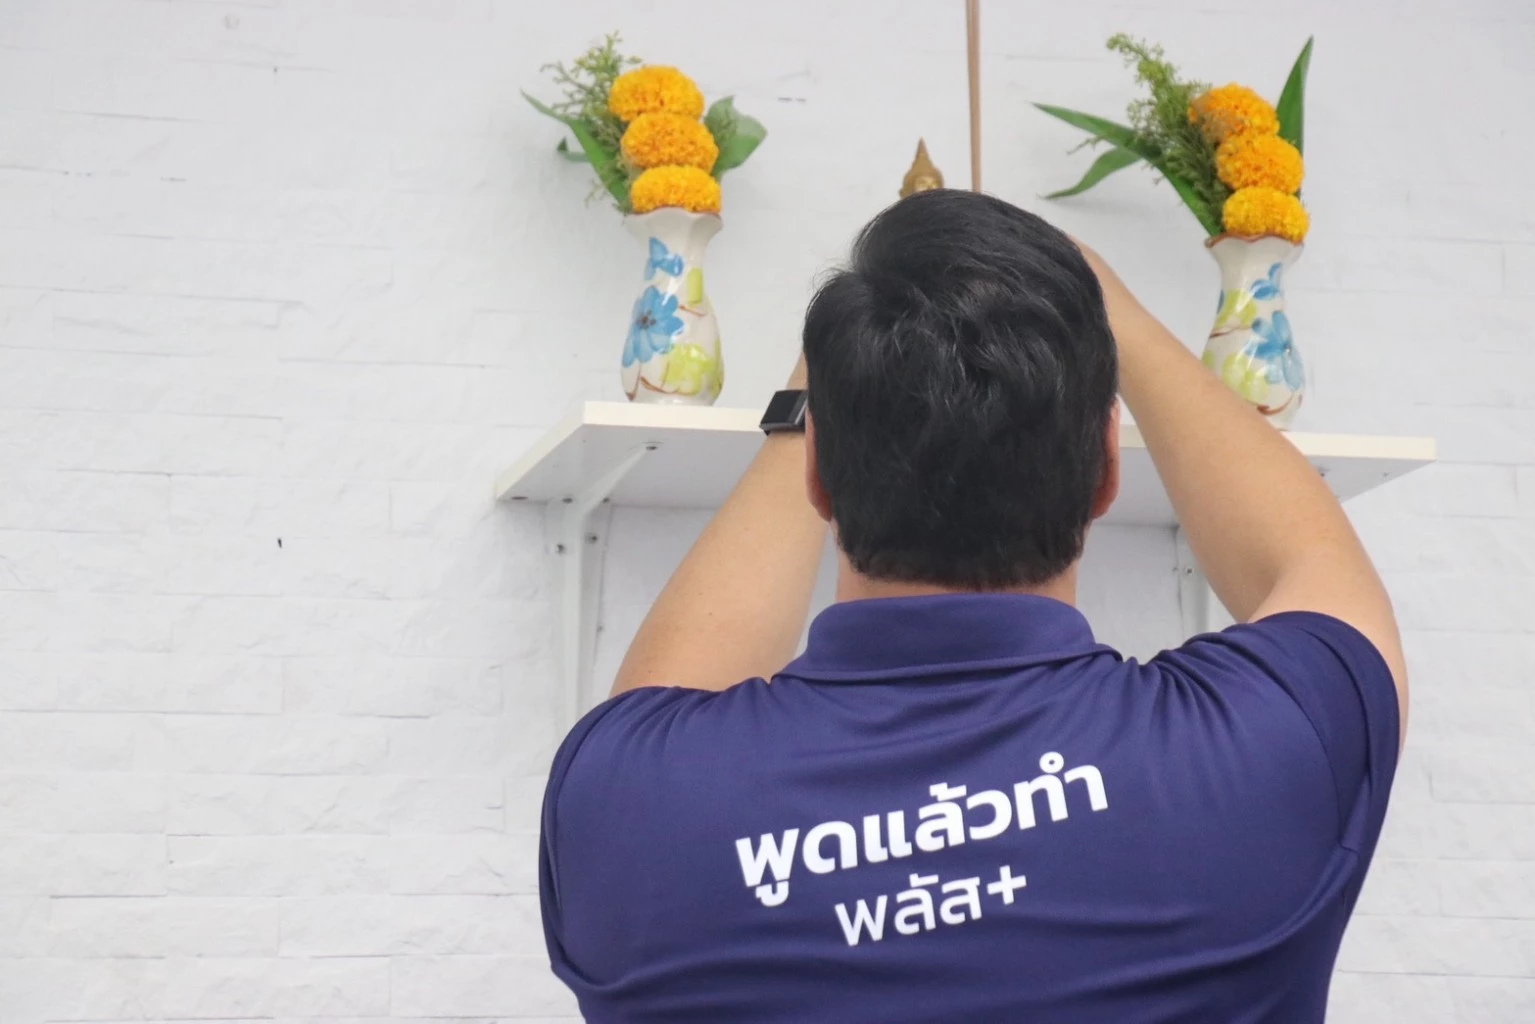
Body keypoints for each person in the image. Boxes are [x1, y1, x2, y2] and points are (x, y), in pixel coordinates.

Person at [538, 189, 1405, 1023]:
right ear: (1106, 470)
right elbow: (1309, 559)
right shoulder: (1268, 746)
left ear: (818, 474)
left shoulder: (628, 801)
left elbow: (668, 688)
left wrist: (828, 383)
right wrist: (1104, 301)